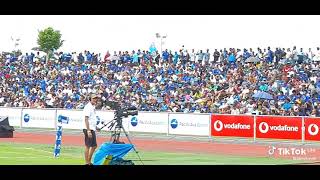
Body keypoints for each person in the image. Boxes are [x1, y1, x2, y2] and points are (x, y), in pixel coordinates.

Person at [82, 93, 99, 165]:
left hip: (92, 128)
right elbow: (86, 119)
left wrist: (96, 127)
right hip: (88, 129)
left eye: (96, 98)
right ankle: (87, 162)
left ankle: (88, 161)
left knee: (94, 146)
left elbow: (92, 119)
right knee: (88, 146)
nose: (96, 100)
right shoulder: (88, 107)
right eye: (94, 98)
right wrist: (88, 130)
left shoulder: (92, 107)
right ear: (90, 99)